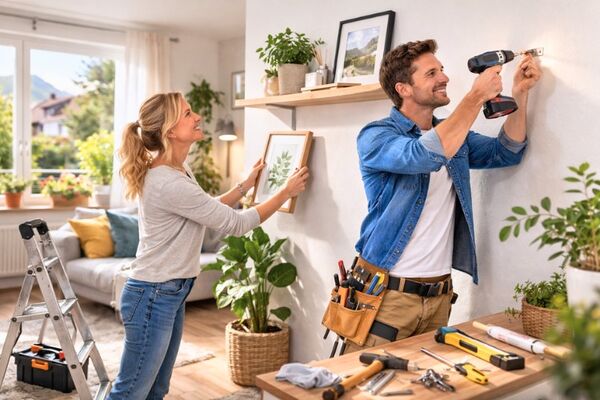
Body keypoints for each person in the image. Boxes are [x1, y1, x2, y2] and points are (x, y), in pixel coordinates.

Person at [107, 92, 309, 399]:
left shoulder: (178, 170)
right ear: (170, 131)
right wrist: (283, 193)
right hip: (153, 295)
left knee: (156, 389)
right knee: (131, 391)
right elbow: (238, 224)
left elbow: (205, 208)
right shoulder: (167, 180)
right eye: (188, 113)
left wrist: (245, 185)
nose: (197, 117)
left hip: (166, 292)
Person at [347, 39, 541, 352]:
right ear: (404, 89)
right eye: (431, 73)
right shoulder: (376, 136)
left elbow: (506, 153)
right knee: (364, 387)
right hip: (387, 296)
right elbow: (422, 156)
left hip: (439, 296)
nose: (444, 77)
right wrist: (476, 96)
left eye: (442, 70)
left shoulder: (455, 136)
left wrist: (520, 94)